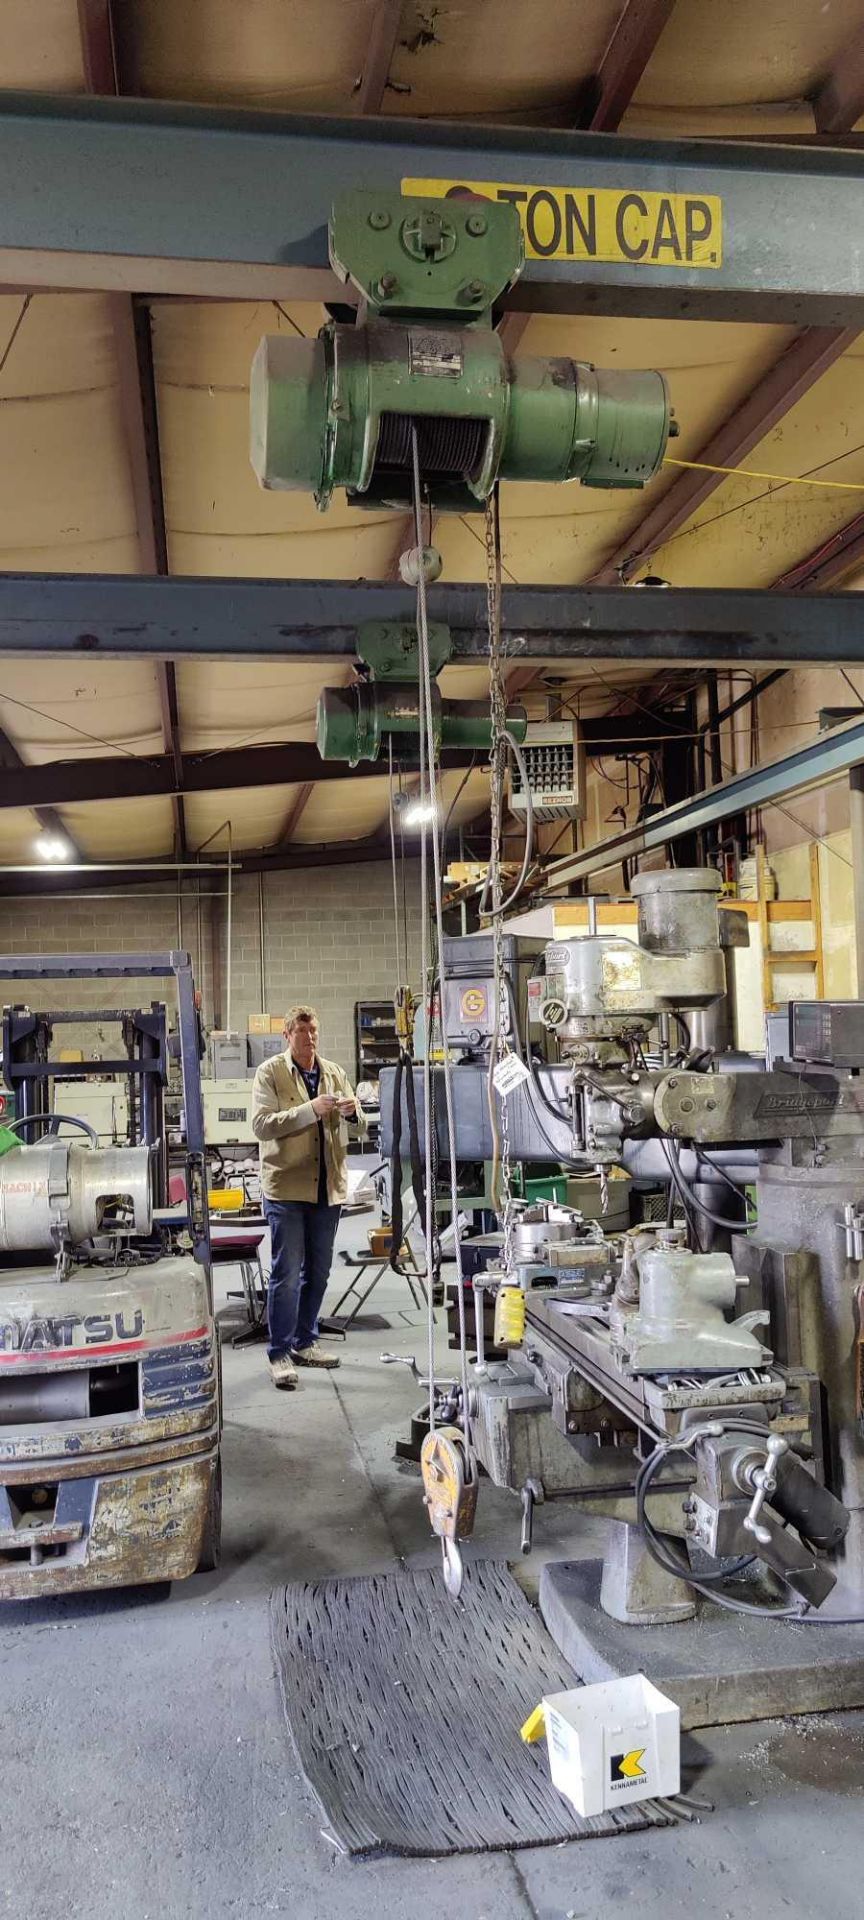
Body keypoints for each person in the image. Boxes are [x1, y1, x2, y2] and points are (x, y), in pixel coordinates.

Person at [252, 1004, 359, 1390]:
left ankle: (305, 1341)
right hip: (287, 1189)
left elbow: (360, 1124)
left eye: (313, 1030)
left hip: (326, 1187)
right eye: (301, 1031)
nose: (309, 1037)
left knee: (318, 1271)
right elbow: (262, 1126)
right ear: (287, 1035)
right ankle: (279, 1352)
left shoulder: (333, 1072)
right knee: (287, 1274)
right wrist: (309, 1110)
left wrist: (350, 1113)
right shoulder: (271, 1073)